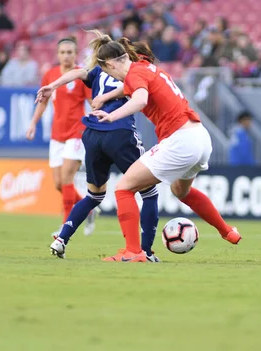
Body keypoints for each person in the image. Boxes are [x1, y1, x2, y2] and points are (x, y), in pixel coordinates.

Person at [86, 31, 241, 262]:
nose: (114, 79)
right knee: (181, 191)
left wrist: (111, 116)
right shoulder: (145, 67)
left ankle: (133, 252)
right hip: (199, 136)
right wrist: (107, 97)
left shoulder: (134, 74)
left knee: (123, 188)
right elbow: (134, 87)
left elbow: (140, 100)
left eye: (108, 72)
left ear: (109, 64)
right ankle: (228, 232)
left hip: (180, 141)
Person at [36, 39, 161, 261]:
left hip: (92, 134)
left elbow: (76, 73)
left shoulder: (96, 72)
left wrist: (53, 85)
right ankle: (147, 251)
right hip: (119, 132)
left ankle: (61, 239)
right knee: (149, 192)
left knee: (94, 195)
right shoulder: (132, 72)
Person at [25, 37, 93, 237]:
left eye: (70, 52)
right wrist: (32, 123)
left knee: (66, 178)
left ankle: (66, 227)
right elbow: (43, 102)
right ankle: (87, 208)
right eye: (62, 52)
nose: (66, 56)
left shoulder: (81, 76)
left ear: (75, 54)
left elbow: (92, 101)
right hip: (57, 134)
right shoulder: (50, 75)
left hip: (77, 133)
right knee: (58, 184)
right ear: (57, 54)